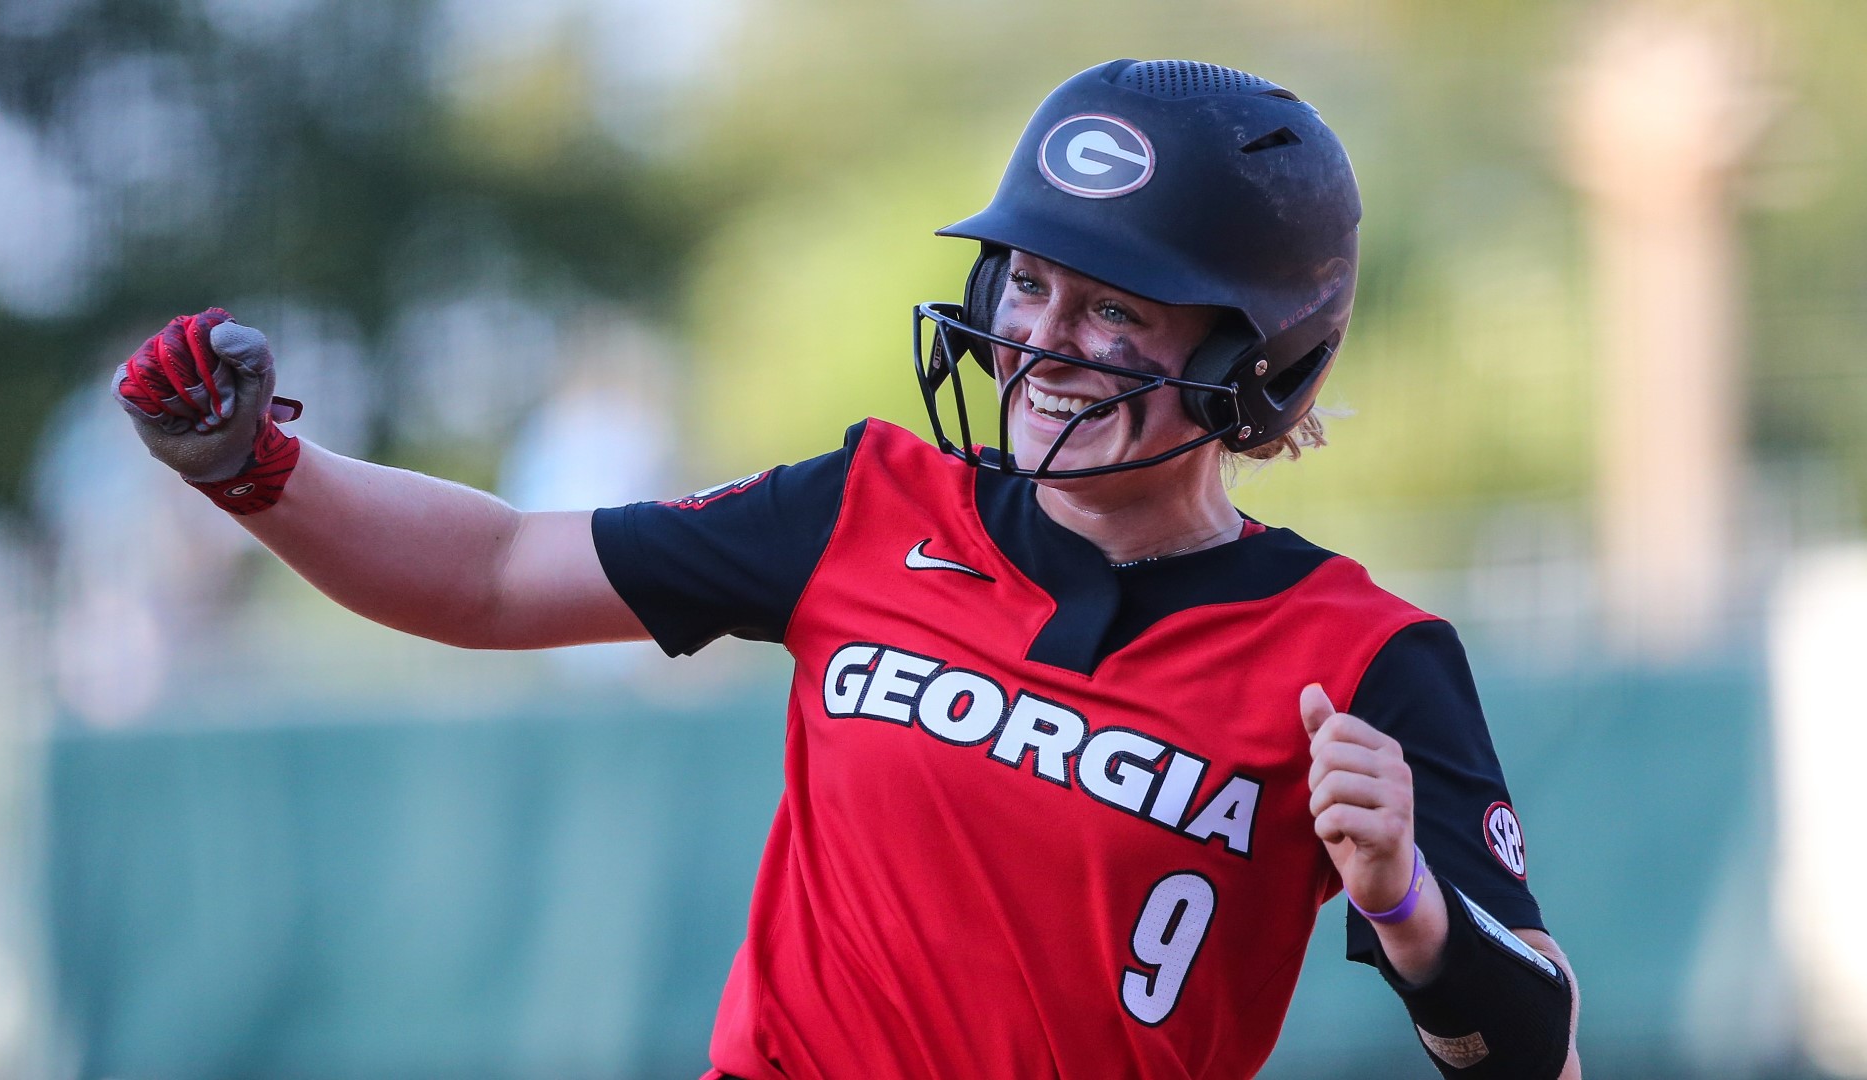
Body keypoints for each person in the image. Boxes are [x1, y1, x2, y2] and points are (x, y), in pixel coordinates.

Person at [113, 58, 1580, 1080]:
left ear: (1255, 361)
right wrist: (257, 472)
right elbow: (497, 575)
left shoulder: (1359, 655)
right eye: (1036, 282)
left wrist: (1405, 904)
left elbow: (1533, 1059)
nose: (1046, 339)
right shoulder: (870, 505)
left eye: (1120, 309)